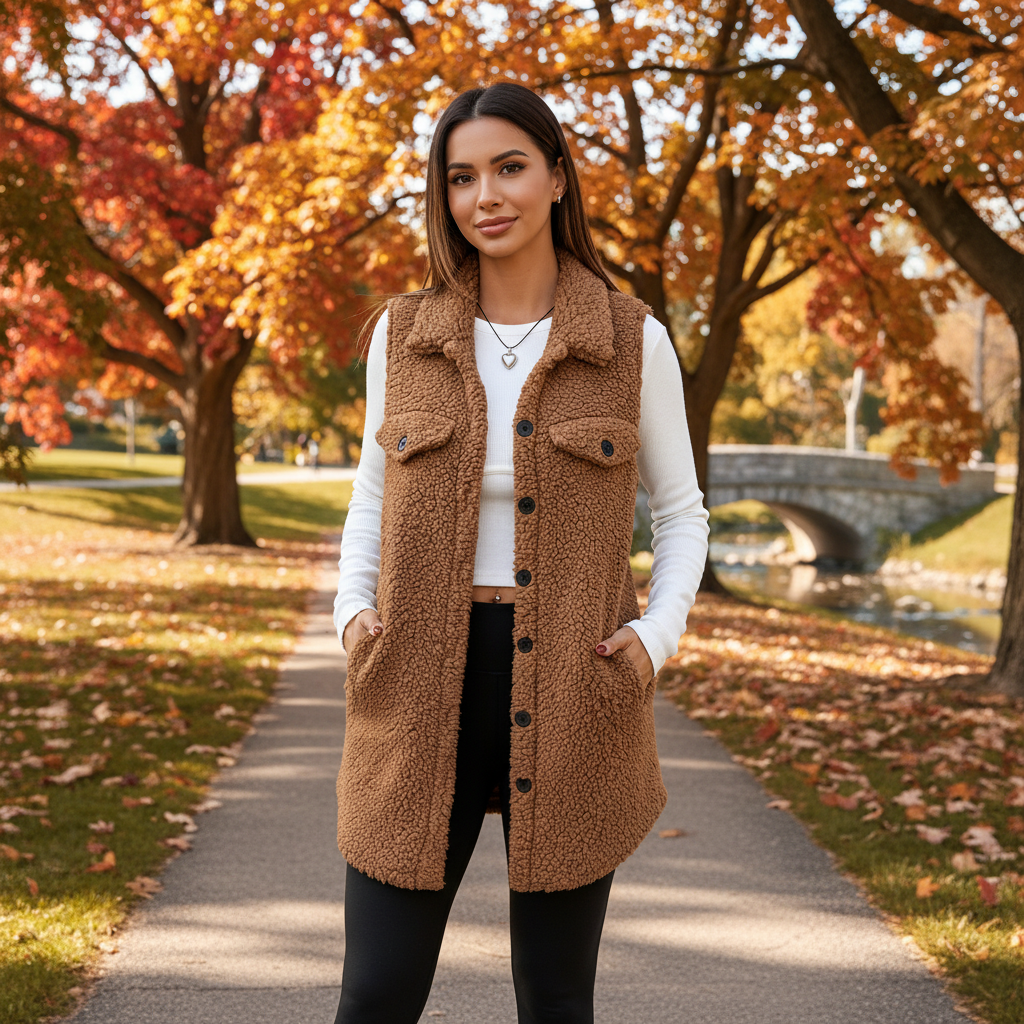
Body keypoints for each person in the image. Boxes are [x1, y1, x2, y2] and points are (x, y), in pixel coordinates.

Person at [332, 82, 709, 1024]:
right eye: (461, 177)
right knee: (375, 993)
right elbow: (370, 495)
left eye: (508, 168)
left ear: (556, 179)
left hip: (576, 685)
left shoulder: (634, 341)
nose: (484, 196)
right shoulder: (401, 336)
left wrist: (656, 637)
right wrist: (350, 615)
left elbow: (683, 512)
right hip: (417, 677)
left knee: (554, 998)